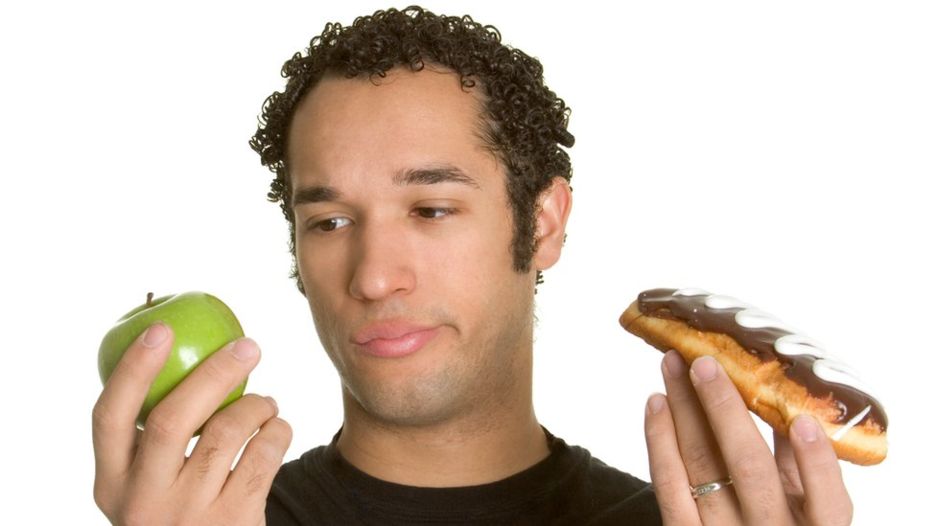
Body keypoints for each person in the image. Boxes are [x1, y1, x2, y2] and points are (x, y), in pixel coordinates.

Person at [92, 6, 853, 525]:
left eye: (430, 210)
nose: (373, 277)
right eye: (328, 221)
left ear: (543, 223)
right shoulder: (203, 516)